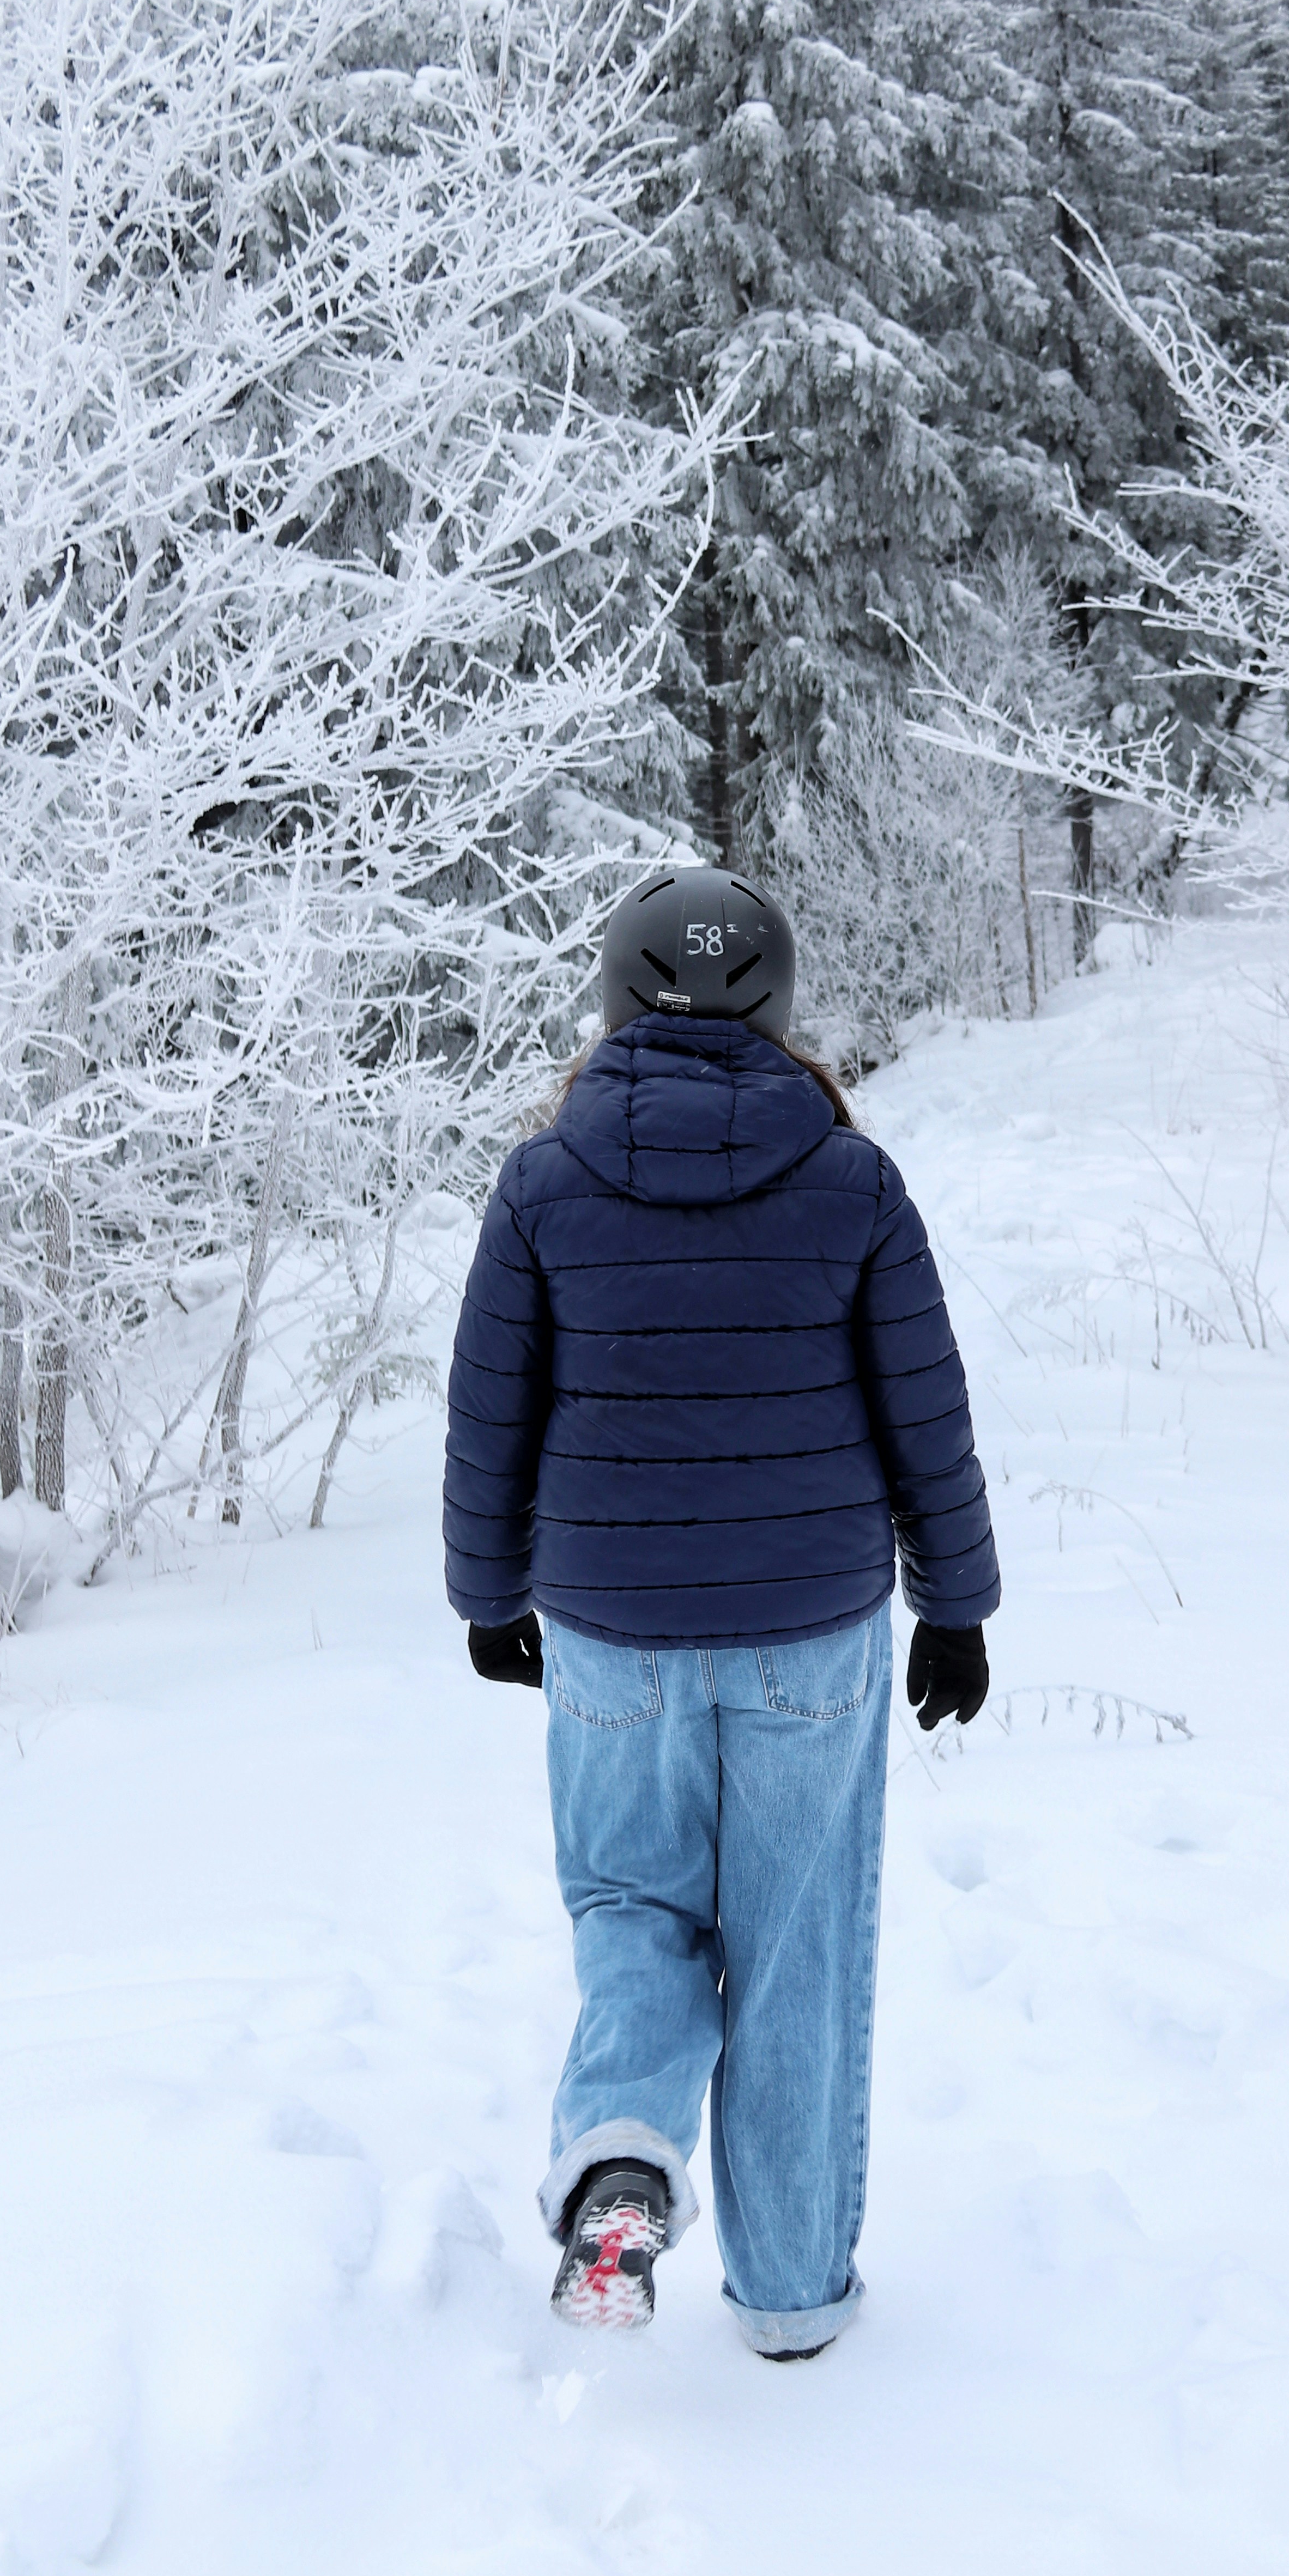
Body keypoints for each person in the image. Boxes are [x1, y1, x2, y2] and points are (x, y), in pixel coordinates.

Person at [443, 866, 999, 2358]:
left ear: (618, 992)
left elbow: (493, 1413)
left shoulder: (545, 1180)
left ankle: (621, 2155)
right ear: (783, 1002)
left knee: (634, 1908)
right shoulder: (853, 1177)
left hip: (612, 1634)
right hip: (813, 1633)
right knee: (798, 1944)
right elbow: (923, 1416)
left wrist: (487, 1594)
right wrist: (957, 1606)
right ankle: (795, 2300)